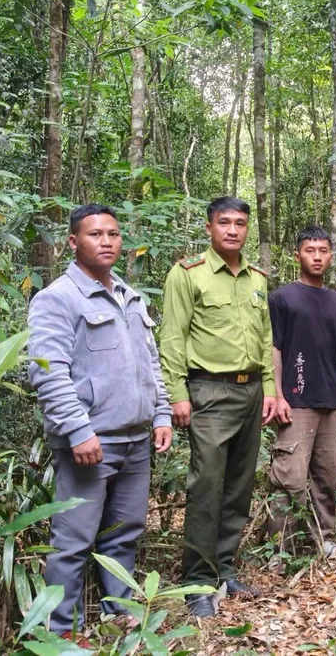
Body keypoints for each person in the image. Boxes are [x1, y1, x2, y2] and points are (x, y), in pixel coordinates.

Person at [27, 204, 173, 638]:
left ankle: (119, 616)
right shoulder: (57, 298)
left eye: (113, 233)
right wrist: (78, 429)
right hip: (90, 442)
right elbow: (47, 371)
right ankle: (60, 630)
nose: (106, 241)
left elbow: (151, 363)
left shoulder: (130, 296)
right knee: (73, 541)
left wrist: (161, 413)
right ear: (73, 242)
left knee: (124, 534)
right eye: (95, 234)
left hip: (135, 440)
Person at [159, 196, 277, 615]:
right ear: (209, 227)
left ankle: (224, 569)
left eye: (240, 223)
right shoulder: (187, 274)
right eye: (224, 222)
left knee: (238, 486)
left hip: (250, 394)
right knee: (206, 487)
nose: (233, 230)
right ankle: (197, 582)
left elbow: (264, 339)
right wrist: (177, 394)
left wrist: (270, 388)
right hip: (208, 391)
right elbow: (173, 338)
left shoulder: (258, 279)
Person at [266, 226, 336, 557]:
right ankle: (281, 548)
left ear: (331, 256)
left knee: (328, 476)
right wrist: (278, 395)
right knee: (290, 478)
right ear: (297, 255)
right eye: (310, 250)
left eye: (322, 250)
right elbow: (274, 350)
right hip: (296, 401)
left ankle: (325, 539)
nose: (316, 256)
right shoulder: (281, 298)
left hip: (331, 402)